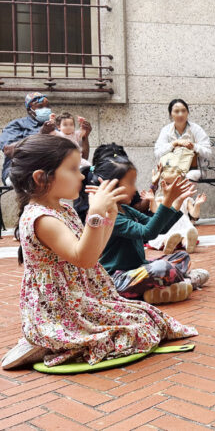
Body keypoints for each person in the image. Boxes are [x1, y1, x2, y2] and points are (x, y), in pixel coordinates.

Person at [0, 134, 197, 370]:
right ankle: (47, 339)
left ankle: (47, 339)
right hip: (61, 307)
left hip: (79, 297)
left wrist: (109, 216)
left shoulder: (63, 209)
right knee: (137, 331)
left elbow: (95, 251)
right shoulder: (41, 218)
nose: (82, 176)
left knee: (146, 316)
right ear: (42, 178)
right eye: (73, 169)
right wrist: (95, 216)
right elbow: (84, 259)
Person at [92, 156, 210, 304]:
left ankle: (161, 288)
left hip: (140, 267)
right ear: (111, 186)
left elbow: (160, 228)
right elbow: (148, 232)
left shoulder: (126, 209)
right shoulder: (109, 216)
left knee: (181, 256)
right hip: (118, 278)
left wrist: (177, 201)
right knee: (161, 268)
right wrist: (167, 200)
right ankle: (185, 281)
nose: (134, 189)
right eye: (130, 183)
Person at [0, 92, 91, 185]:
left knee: (88, 175)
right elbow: (8, 151)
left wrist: (84, 137)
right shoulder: (17, 125)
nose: (45, 109)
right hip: (22, 171)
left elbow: (81, 158)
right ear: (29, 109)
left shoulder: (56, 128)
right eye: (40, 107)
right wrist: (41, 134)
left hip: (52, 171)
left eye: (47, 106)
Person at [146, 165, 206, 254]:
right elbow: (155, 210)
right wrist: (151, 200)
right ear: (162, 185)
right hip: (167, 227)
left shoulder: (186, 199)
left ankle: (188, 244)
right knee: (165, 237)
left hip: (183, 226)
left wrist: (197, 204)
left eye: (174, 184)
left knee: (186, 235)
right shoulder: (161, 199)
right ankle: (168, 245)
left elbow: (194, 215)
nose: (170, 187)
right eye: (167, 183)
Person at [154, 99, 212, 182]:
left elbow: (208, 153)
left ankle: (184, 195)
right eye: (176, 111)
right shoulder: (166, 130)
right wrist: (174, 144)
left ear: (187, 112)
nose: (180, 114)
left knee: (188, 176)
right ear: (171, 114)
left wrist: (194, 146)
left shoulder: (196, 129)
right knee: (167, 176)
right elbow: (157, 153)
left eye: (183, 111)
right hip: (171, 169)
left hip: (194, 169)